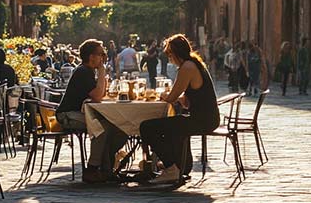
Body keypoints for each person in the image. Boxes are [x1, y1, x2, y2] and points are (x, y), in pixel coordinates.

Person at [139, 34, 220, 184]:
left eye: (169, 54)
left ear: (175, 53)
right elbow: (189, 97)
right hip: (205, 117)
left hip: (202, 120)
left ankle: (171, 167)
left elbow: (171, 96)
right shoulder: (194, 63)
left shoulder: (187, 67)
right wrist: (180, 99)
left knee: (147, 127)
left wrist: (161, 94)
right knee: (171, 125)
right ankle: (176, 164)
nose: (169, 58)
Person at [55, 39, 128, 183]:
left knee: (119, 126)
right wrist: (102, 71)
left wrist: (101, 74)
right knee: (101, 127)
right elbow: (98, 96)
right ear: (91, 56)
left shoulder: (88, 71)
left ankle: (106, 167)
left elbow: (100, 93)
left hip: (80, 112)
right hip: (67, 114)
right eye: (102, 54)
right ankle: (92, 168)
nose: (104, 58)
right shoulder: (83, 71)